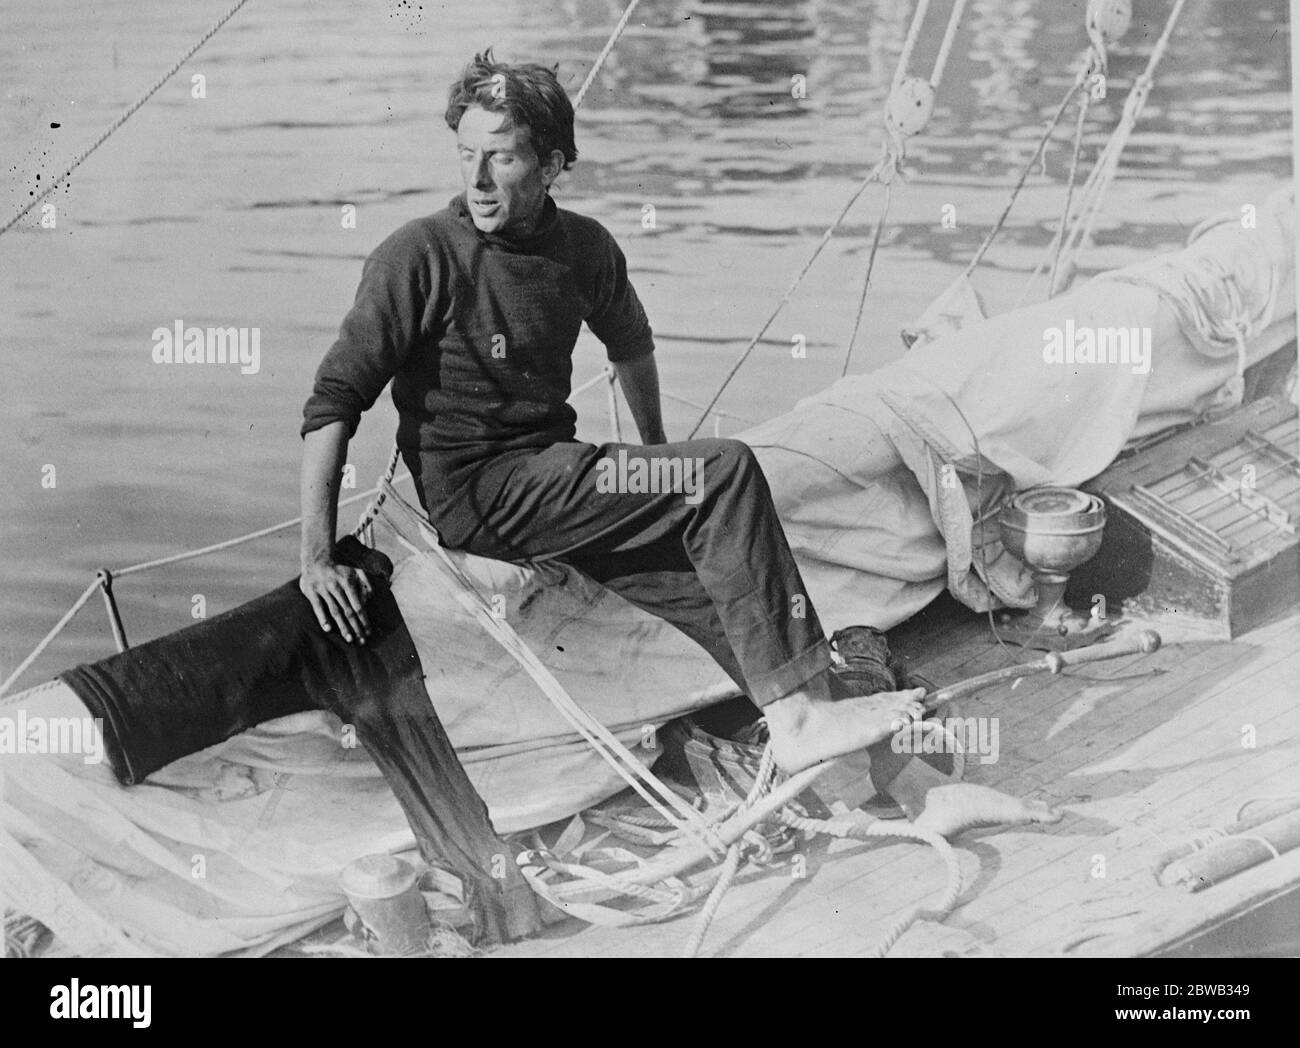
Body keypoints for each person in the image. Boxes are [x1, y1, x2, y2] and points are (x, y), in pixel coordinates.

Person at [298, 50, 1056, 835]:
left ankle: (910, 786)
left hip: (557, 476)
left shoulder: (584, 248)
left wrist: (659, 471)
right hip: (481, 495)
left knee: (720, 593)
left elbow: (631, 345)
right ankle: (801, 729)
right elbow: (333, 404)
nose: (480, 179)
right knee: (725, 470)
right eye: (468, 154)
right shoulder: (417, 256)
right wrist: (316, 556)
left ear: (552, 164)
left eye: (504, 156)